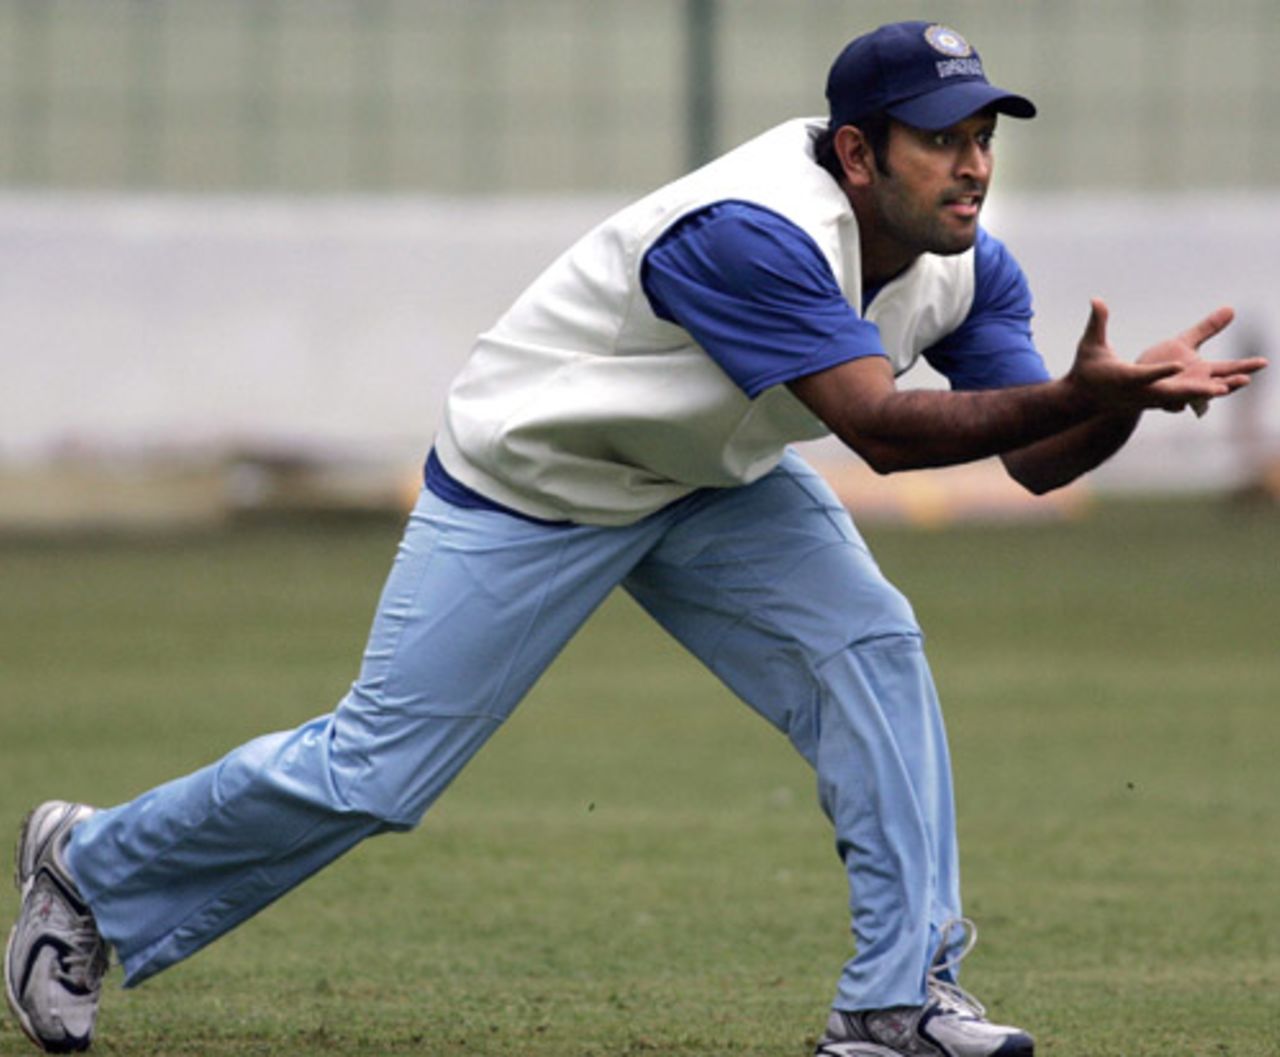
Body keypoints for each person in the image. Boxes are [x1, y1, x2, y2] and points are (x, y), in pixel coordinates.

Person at [4, 20, 1265, 1057]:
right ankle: (87, 866)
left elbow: (1036, 460)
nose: (973, 166)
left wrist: (1110, 408)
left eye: (983, 138)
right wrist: (1085, 392)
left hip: (710, 478)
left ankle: (897, 1003)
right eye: (941, 140)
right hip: (539, 476)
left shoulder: (966, 263)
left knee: (870, 646)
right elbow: (876, 430)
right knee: (375, 774)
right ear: (856, 153)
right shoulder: (753, 229)